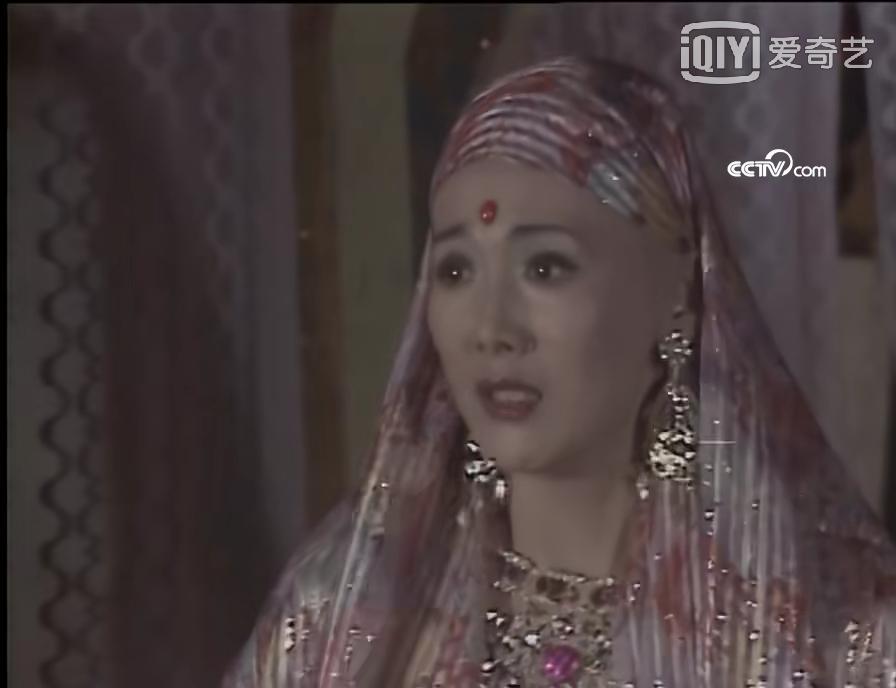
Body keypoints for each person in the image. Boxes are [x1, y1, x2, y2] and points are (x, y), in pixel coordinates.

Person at [221, 56, 896, 687]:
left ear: (677, 291)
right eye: (456, 271)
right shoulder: (338, 613)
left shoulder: (837, 626)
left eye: (545, 267)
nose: (491, 328)